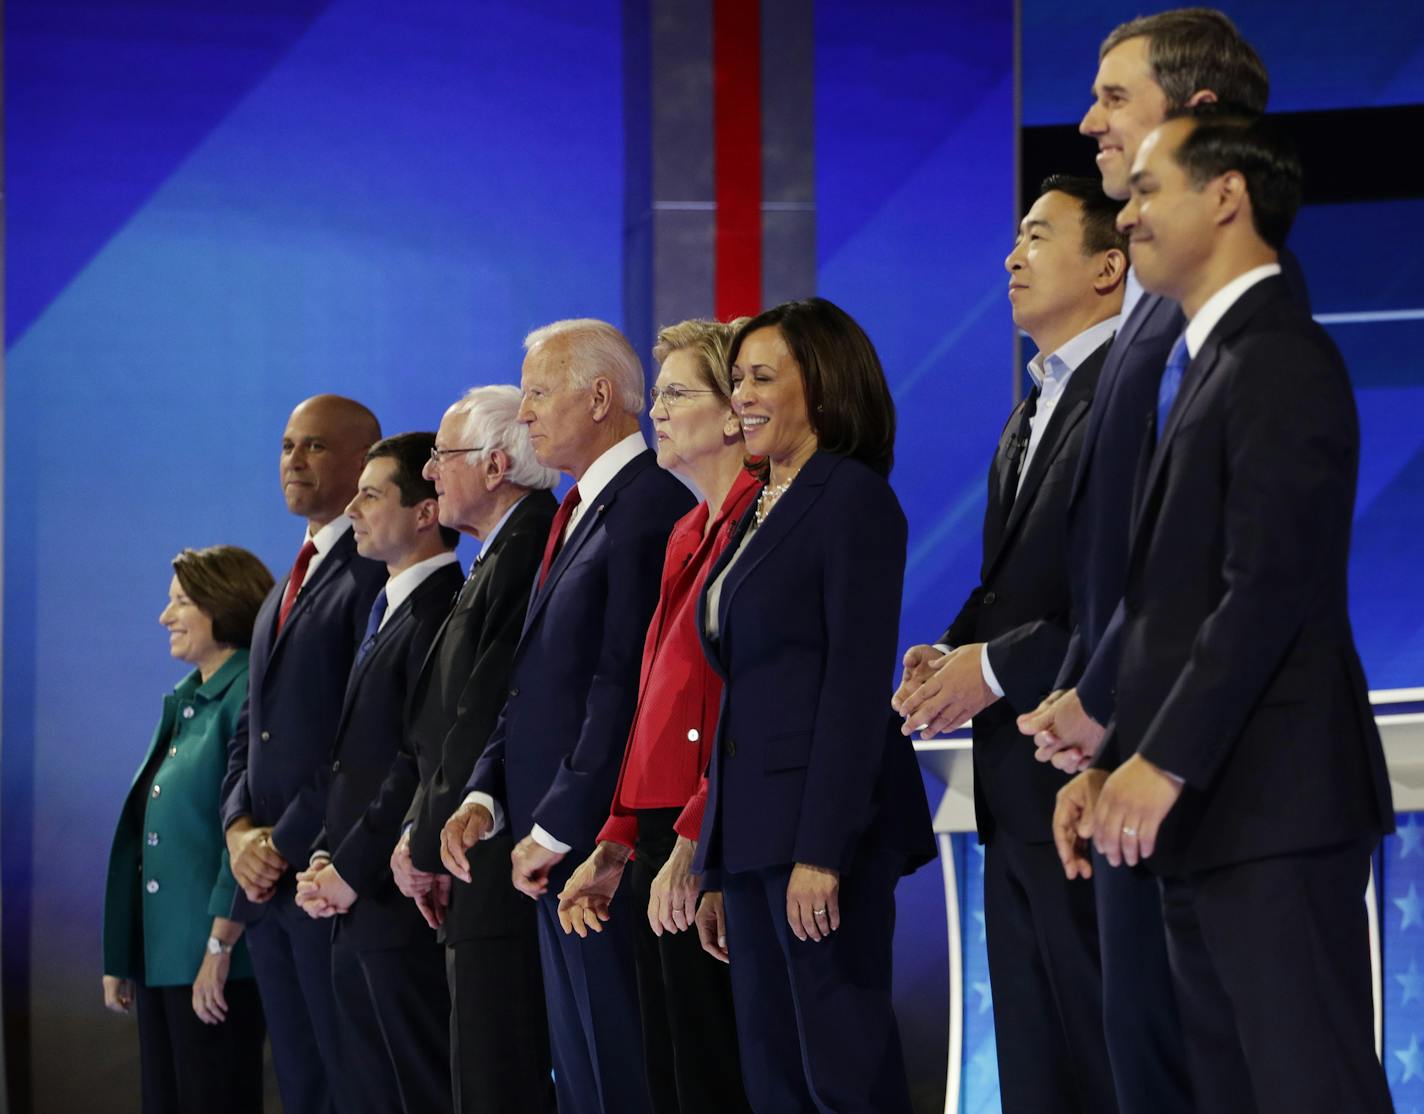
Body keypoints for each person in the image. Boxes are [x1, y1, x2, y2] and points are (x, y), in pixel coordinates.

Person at [1057, 109, 1395, 1114]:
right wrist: (1120, 756)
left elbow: (1266, 588)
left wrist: (1158, 761)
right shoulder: (1211, 365)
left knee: (1308, 1087)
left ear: (1225, 195)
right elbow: (1176, 607)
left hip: (1273, 811)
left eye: (1150, 188)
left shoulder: (1276, 356)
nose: (1127, 213)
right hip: (1212, 816)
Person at [1015, 13, 1306, 1112]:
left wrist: (1140, 734)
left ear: (1199, 128)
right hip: (1137, 775)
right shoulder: (1150, 328)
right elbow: (1132, 570)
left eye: (1113, 98)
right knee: (1153, 1075)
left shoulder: (1255, 338)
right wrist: (1101, 722)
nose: (1087, 120)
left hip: (1232, 785)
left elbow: (1248, 578)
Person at [893, 176, 1125, 1114]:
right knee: (1037, 1063)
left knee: (1107, 1055)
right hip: (1015, 788)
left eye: (1038, 235)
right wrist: (950, 650)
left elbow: (1119, 594)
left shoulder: (1129, 392)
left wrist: (987, 668)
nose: (1011, 256)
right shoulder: (1032, 405)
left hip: (1090, 770)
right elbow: (1020, 584)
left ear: (1109, 266)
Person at [441, 319, 693, 1114]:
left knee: (621, 1071)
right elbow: (534, 681)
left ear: (600, 396)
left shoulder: (650, 504)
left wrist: (559, 824)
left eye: (540, 394)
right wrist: (486, 792)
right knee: (582, 1076)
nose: (528, 416)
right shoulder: (577, 509)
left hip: (600, 843)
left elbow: (623, 684)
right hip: (551, 841)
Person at [692, 298, 934, 1113]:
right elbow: (744, 696)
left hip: (822, 838)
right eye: (736, 381)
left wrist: (821, 853)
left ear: (824, 388)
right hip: (756, 839)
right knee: (776, 1079)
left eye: (763, 377)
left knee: (843, 1072)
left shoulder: (852, 499)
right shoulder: (758, 511)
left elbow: (854, 688)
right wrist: (716, 865)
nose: (743, 397)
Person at [556, 319, 758, 1114]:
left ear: (734, 411)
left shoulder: (757, 524)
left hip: (714, 835)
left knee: (714, 1075)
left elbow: (741, 697)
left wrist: (693, 841)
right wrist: (615, 836)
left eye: (677, 394)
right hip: (662, 836)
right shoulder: (686, 530)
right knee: (673, 1076)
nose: (659, 411)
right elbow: (651, 702)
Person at [391, 388, 559, 1114]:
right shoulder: (500, 554)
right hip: (474, 856)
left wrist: (424, 842)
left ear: (495, 466)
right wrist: (419, 833)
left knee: (500, 1080)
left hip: (496, 857)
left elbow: (481, 711)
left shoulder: (528, 550)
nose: (430, 474)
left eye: (442, 457)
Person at [220, 394, 386, 1114]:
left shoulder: (374, 571)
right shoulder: (288, 581)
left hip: (328, 875)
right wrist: (237, 830)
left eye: (314, 446)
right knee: (301, 1086)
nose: (293, 459)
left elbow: (365, 740)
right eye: (287, 445)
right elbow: (249, 726)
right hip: (269, 888)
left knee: (351, 1083)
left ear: (363, 462)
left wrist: (281, 843)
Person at [292, 431, 465, 1114]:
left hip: (399, 901)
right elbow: (352, 762)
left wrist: (349, 867)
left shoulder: (443, 606)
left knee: (419, 1088)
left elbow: (415, 757)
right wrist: (324, 854)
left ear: (426, 512)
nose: (354, 509)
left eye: (371, 494)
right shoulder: (386, 604)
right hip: (358, 901)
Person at [102, 545, 274, 1114]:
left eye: (181, 602)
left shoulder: (246, 696)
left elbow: (243, 833)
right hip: (165, 964)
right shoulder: (188, 703)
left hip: (216, 962)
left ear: (221, 606)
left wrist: (217, 945)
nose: (165, 616)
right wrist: (124, 957)